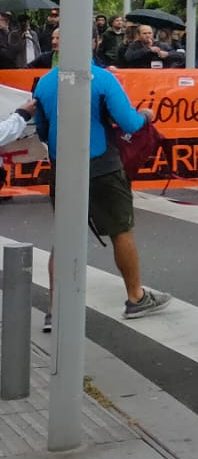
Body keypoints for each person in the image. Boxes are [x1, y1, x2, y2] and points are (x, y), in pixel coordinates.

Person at [31, 50, 167, 322]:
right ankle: (136, 297)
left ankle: (55, 310)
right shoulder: (104, 79)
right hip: (103, 166)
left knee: (64, 237)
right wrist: (146, 115)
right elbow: (129, 122)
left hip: (64, 167)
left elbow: (43, 131)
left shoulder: (44, 82)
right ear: (91, 43)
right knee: (121, 231)